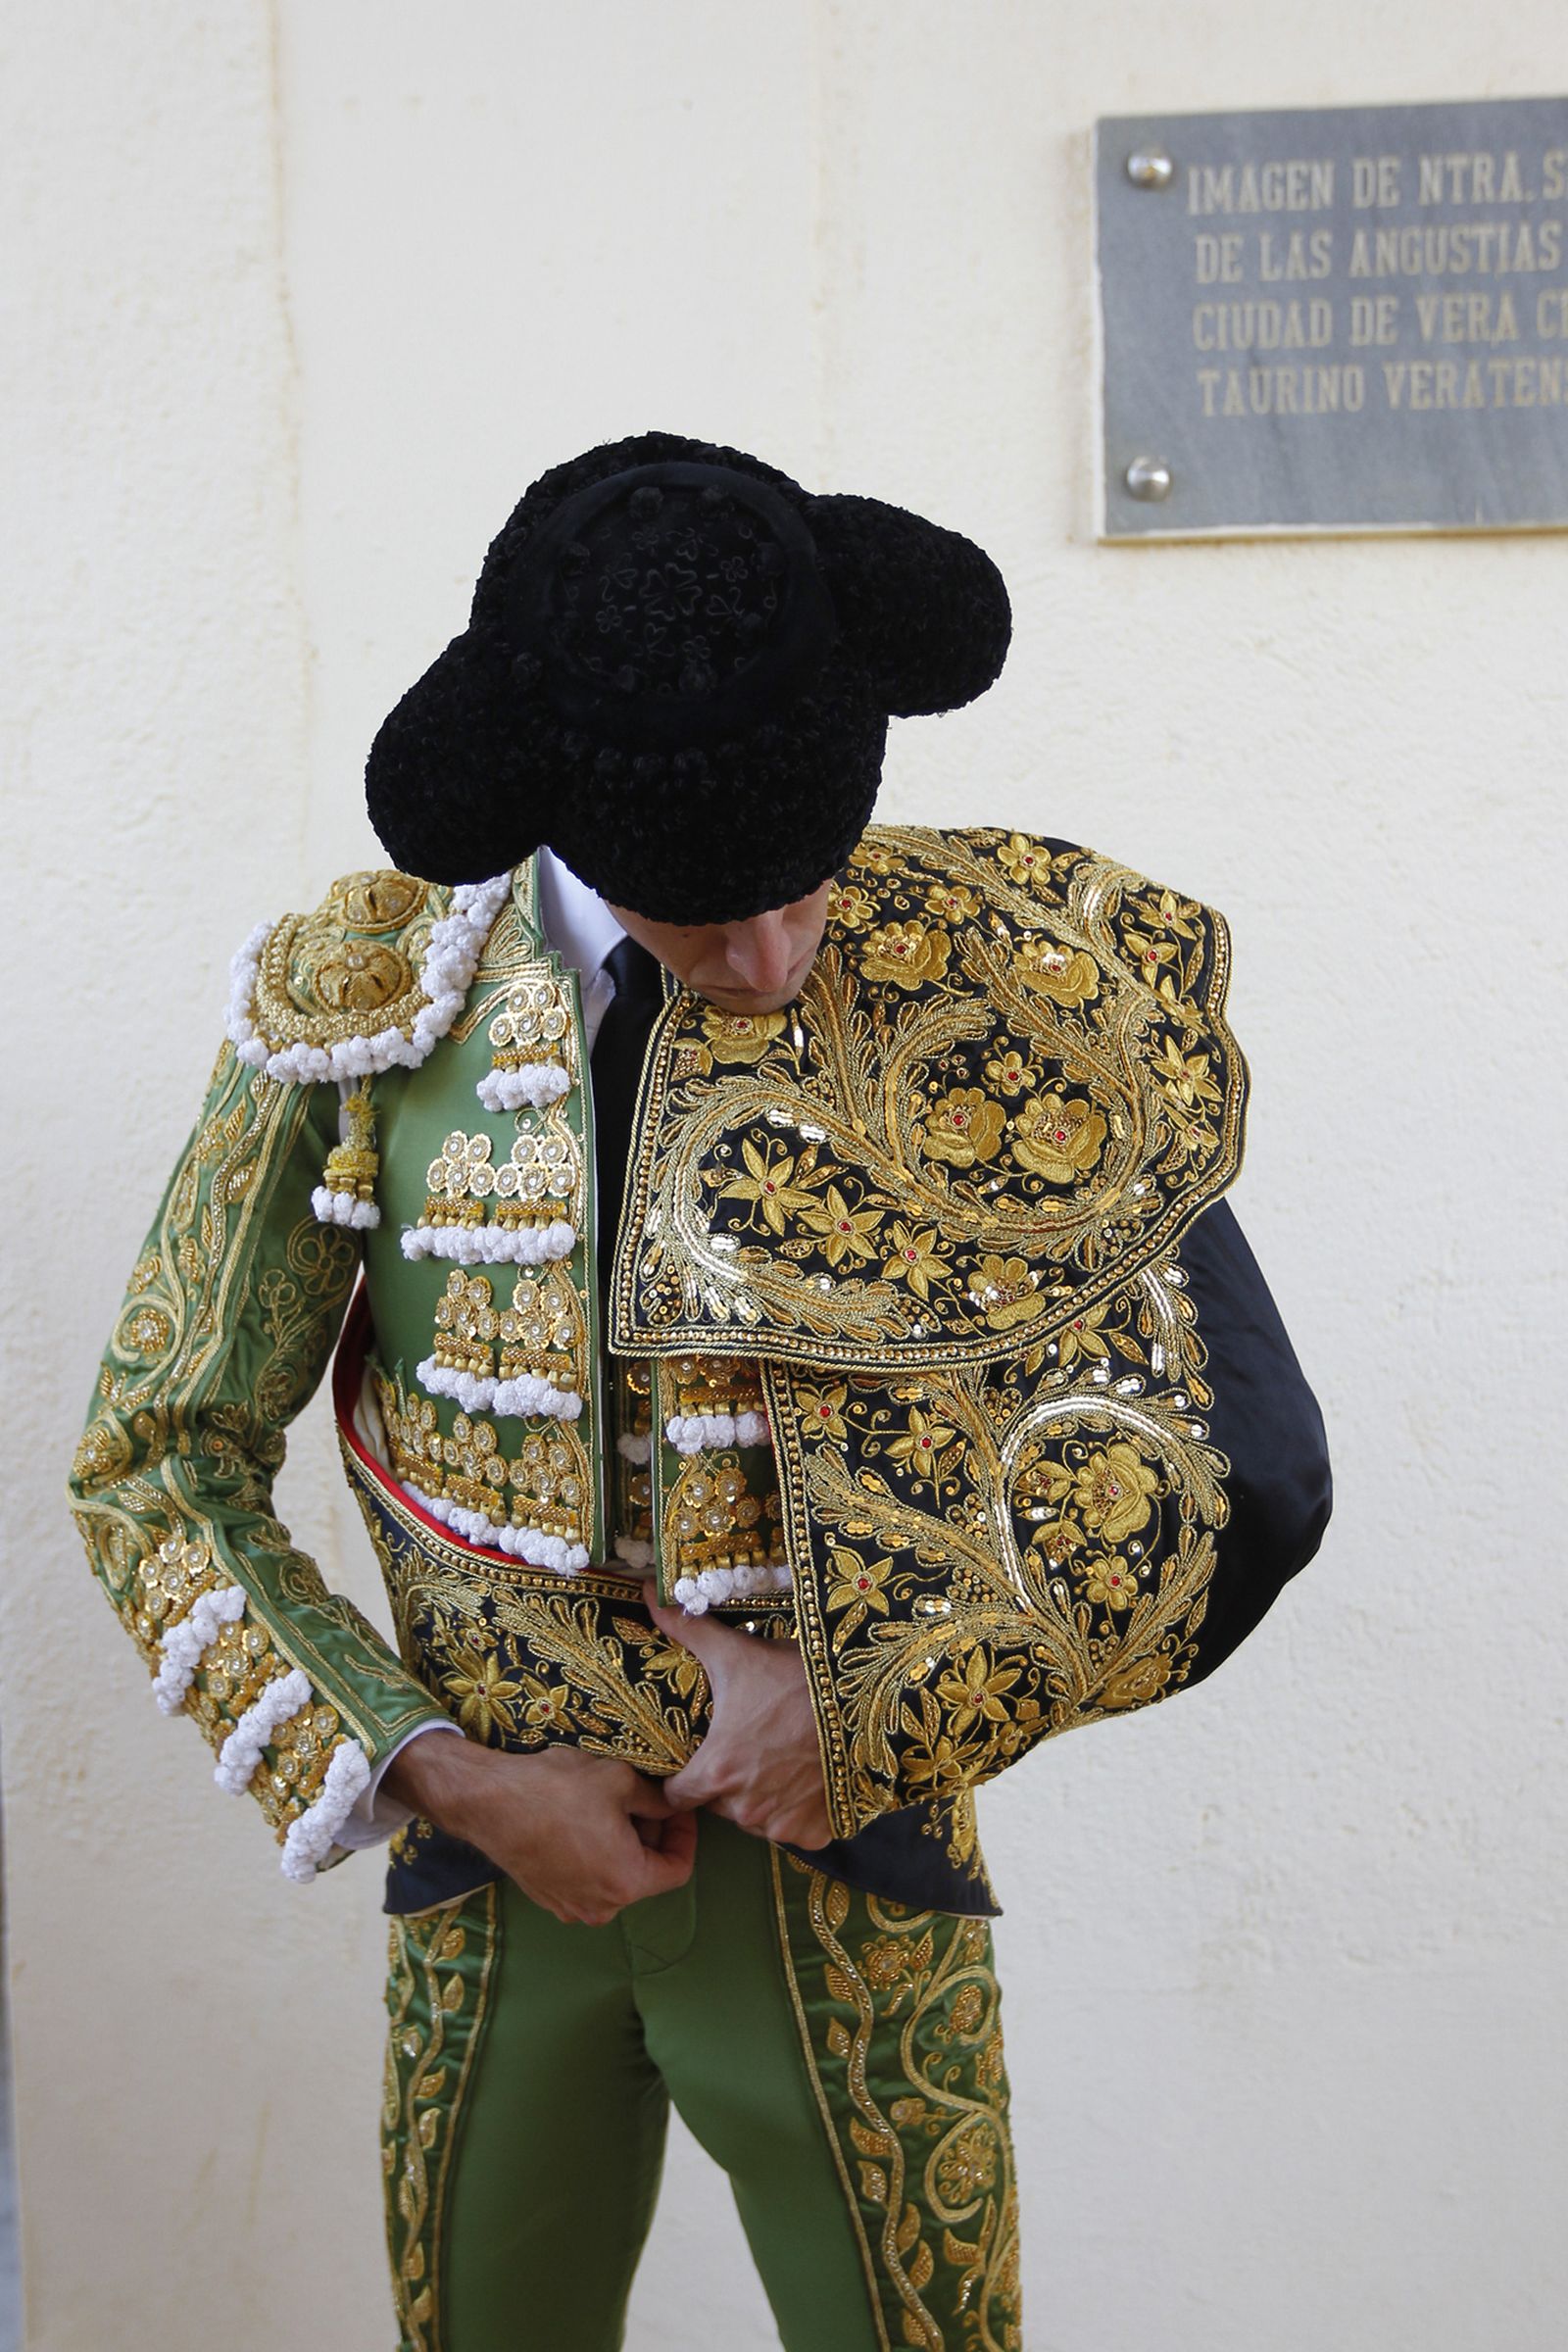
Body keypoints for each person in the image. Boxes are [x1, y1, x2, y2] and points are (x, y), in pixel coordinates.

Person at [70, 431, 1331, 2351]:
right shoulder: (359, 1005)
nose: (759, 956)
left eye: (801, 884)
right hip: (492, 1882)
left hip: (853, 1872)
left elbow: (1251, 1471)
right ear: (548, 815)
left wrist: (877, 1704)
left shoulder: (996, 979)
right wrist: (448, 1774)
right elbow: (154, 1461)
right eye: (690, 910)